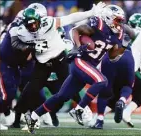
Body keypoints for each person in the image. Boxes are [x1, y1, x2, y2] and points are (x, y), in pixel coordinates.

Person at [28, 4, 126, 133]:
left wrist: (121, 48)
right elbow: (75, 30)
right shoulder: (98, 25)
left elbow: (113, 56)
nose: (119, 24)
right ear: (108, 18)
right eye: (117, 20)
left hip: (88, 66)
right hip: (81, 61)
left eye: (120, 21)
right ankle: (79, 109)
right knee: (102, 81)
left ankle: (34, 116)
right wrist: (77, 47)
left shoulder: (117, 35)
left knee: (61, 96)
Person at [10, 2, 106, 134]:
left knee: (71, 87)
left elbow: (71, 18)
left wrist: (91, 13)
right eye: (29, 25)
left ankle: (83, 111)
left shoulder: (48, 22)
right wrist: (30, 47)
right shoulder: (21, 31)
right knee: (31, 90)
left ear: (40, 20)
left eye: (35, 24)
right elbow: (15, 42)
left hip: (60, 59)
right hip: (42, 64)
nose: (33, 27)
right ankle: (23, 117)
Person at [0, 3, 47, 130]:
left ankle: (23, 115)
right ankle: (7, 113)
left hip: (19, 63)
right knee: (7, 93)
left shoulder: (36, 29)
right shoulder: (18, 28)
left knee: (26, 91)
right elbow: (16, 45)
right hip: (5, 61)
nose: (35, 25)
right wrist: (33, 48)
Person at [91, 9, 136, 129]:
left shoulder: (98, 25)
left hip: (109, 58)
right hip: (126, 55)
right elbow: (133, 34)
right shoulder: (122, 27)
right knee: (127, 85)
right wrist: (123, 27)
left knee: (105, 89)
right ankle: (121, 100)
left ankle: (99, 120)